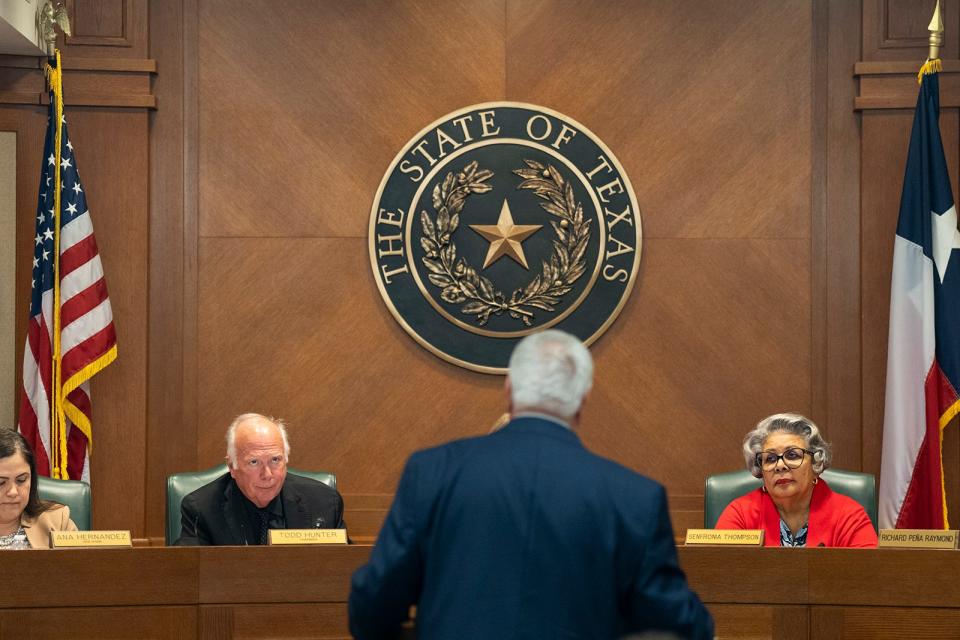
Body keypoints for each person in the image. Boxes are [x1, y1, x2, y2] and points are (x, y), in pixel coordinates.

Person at [349, 330, 714, 640]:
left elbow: (371, 608)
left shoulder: (432, 472)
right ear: (583, 400)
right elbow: (683, 624)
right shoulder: (635, 498)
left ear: (509, 390)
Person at [175, 413, 344, 545]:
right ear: (232, 466)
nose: (267, 475)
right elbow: (188, 574)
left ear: (286, 459)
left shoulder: (324, 503)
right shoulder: (202, 510)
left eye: (275, 460)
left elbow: (342, 571)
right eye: (254, 462)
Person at [715, 413, 878, 548]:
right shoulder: (741, 514)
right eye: (770, 459)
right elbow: (719, 573)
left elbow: (868, 578)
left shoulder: (849, 516)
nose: (780, 466)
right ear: (761, 471)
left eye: (792, 455)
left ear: (816, 463)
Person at [0, 428, 78, 549]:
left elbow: (81, 566)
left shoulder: (57, 522)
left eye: (21, 480)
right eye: (1, 483)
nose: (13, 492)